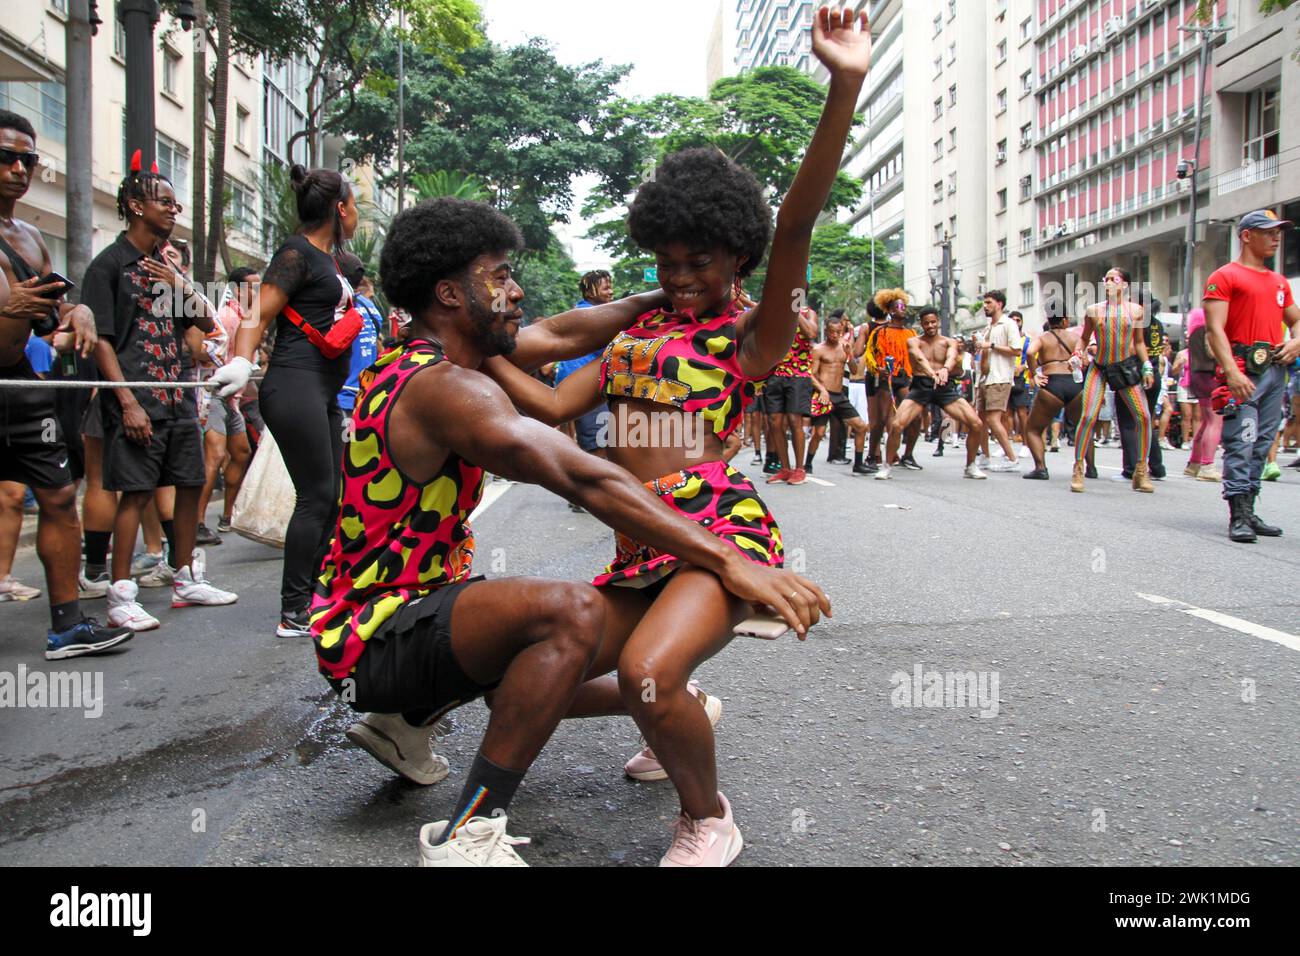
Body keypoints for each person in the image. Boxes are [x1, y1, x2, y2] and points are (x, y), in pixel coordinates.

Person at [311, 196, 826, 867]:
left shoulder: (422, 360)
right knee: (571, 615)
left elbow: (557, 334)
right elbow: (584, 478)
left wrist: (665, 291)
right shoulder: (447, 387)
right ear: (450, 294)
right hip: (377, 636)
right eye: (499, 276)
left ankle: (409, 721)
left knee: (550, 673)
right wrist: (733, 562)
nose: (517, 289)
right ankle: (470, 830)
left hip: (375, 619)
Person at [479, 7, 865, 866]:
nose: (682, 279)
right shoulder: (631, 339)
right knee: (528, 681)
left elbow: (797, 223)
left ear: (738, 260)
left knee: (650, 675)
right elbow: (545, 406)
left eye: (702, 263)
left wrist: (843, 84)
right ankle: (676, 707)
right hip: (639, 535)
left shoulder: (749, 339)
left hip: (718, 531)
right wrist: (466, 347)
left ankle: (707, 815)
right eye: (668, 262)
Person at [0, 109, 134, 659]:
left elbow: (52, 312)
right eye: (5, 157)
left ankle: (67, 627)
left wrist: (76, 312)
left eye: (27, 160)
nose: (17, 169)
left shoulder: (30, 237)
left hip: (25, 389)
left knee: (58, 496)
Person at [85, 157, 239, 632]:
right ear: (135, 206)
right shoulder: (109, 266)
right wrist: (127, 401)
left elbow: (207, 324)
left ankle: (185, 576)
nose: (174, 210)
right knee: (134, 494)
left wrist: (180, 283)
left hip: (178, 397)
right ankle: (120, 593)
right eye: (164, 202)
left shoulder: (167, 265)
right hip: (137, 400)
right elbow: (103, 341)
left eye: (175, 203)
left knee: (192, 485)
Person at [212, 164, 361, 637]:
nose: (356, 215)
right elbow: (258, 312)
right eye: (354, 205)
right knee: (316, 497)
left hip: (322, 389)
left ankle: (318, 594)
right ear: (339, 209)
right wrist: (240, 360)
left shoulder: (330, 259)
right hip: (294, 385)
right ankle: (294, 610)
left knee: (333, 496)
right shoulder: (295, 252)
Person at [1203, 209, 1300, 542]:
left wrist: (1296, 341)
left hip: (1274, 371)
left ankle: (1250, 508)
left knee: (1261, 444)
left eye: (1278, 232)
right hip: (1241, 369)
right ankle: (1238, 514)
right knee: (1241, 442)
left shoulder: (1278, 281)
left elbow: (1296, 319)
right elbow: (1214, 330)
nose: (1276, 238)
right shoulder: (1224, 276)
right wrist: (1231, 371)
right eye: (1268, 232)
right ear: (1246, 235)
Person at [1070, 267, 1155, 493]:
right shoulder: (1094, 311)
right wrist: (1078, 354)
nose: (1108, 282)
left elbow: (1138, 343)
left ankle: (1141, 470)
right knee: (1088, 416)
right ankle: (1078, 467)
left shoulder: (1136, 311)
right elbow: (1084, 339)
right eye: (1105, 279)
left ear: (1124, 284)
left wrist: (1147, 366)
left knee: (1144, 417)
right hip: (1099, 368)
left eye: (1113, 279)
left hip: (1125, 368)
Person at [876, 306, 987, 480]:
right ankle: (886, 466)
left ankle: (970, 466)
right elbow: (919, 359)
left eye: (933, 322)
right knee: (897, 425)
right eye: (926, 323)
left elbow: (951, 356)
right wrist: (932, 373)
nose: (930, 326)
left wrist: (944, 369)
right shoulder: (914, 341)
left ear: (938, 322)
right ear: (921, 324)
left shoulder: (948, 341)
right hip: (921, 386)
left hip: (944, 387)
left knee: (976, 424)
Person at [194, 266, 259, 541]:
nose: (258, 291)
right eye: (253, 286)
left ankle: (227, 515)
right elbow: (204, 350)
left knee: (241, 452)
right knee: (215, 456)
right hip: (214, 394)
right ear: (238, 289)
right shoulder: (227, 316)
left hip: (233, 398)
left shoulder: (249, 316)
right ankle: (196, 523)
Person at [555, 270, 615, 512]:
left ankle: (582, 493)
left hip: (589, 384)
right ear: (590, 290)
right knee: (596, 443)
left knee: (595, 441)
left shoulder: (589, 312)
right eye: (605, 287)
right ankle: (585, 495)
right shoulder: (590, 315)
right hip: (584, 385)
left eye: (611, 286)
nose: (610, 291)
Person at [1021, 303, 1084, 480]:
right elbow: (1084, 359)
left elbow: (1030, 353)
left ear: (1048, 318)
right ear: (1065, 320)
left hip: (1051, 383)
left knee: (1033, 428)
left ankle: (1041, 468)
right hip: (1074, 384)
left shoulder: (1042, 338)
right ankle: (1091, 467)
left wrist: (1034, 374)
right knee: (1082, 427)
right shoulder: (1075, 337)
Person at [763, 302, 819, 485]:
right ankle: (785, 468)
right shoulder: (776, 310)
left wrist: (794, 311)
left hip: (798, 375)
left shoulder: (808, 313)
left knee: (795, 420)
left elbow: (811, 333)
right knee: (774, 422)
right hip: (774, 374)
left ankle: (799, 469)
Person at [807, 312, 869, 473]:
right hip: (824, 395)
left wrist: (850, 355)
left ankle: (858, 464)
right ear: (826, 331)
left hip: (839, 395)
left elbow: (854, 371)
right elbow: (810, 374)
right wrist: (821, 390)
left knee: (861, 427)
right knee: (819, 433)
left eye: (838, 332)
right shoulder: (818, 350)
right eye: (832, 332)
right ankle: (807, 464)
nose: (835, 335)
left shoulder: (844, 347)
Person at [973, 290, 1023, 472]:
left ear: (999, 304)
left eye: (989, 303)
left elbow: (1016, 350)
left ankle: (1012, 458)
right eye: (984, 303)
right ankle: (985, 457)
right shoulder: (988, 327)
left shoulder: (1008, 324)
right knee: (980, 420)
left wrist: (991, 345)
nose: (985, 306)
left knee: (993, 419)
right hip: (984, 378)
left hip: (999, 377)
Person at [1183, 307, 1222, 481]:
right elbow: (1213, 352)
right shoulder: (1209, 329)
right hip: (1211, 376)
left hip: (1198, 376)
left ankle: (1195, 463)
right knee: (1215, 421)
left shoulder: (1195, 330)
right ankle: (1207, 465)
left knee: (1207, 421)